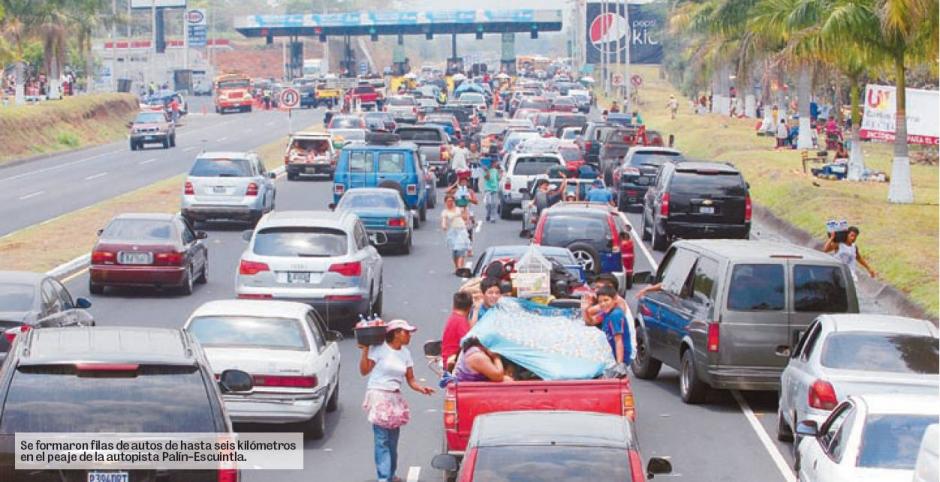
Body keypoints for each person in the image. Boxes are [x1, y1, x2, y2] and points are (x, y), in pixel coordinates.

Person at [359, 319, 435, 482]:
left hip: (394, 398)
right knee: (382, 440)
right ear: (395, 334)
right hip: (379, 395)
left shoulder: (405, 353)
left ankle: (391, 475)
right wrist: (365, 350)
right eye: (406, 332)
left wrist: (422, 388)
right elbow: (364, 371)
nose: (409, 336)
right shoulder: (378, 349)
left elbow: (411, 379)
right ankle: (384, 478)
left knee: (392, 441)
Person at [584, 285, 626, 364]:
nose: (603, 304)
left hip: (615, 357)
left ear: (614, 300)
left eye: (606, 300)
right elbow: (591, 322)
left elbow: (619, 340)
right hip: (608, 352)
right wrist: (586, 309)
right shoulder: (605, 313)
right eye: (600, 302)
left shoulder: (615, 314)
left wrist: (619, 364)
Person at [441, 292, 473, 370]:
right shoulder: (461, 322)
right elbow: (469, 342)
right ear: (470, 308)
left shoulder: (453, 318)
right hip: (454, 363)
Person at [441, 194, 472, 274]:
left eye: (451, 201)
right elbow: (444, 220)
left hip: (461, 231)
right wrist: (444, 226)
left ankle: (460, 268)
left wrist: (466, 216)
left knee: (461, 249)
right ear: (445, 202)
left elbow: (465, 216)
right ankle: (456, 267)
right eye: (448, 201)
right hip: (452, 232)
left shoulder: (458, 209)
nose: (450, 203)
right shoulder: (445, 212)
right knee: (455, 252)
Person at [481, 159, 501, 223]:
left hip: (495, 189)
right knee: (488, 203)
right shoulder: (485, 170)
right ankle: (488, 213)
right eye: (494, 163)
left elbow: (498, 178)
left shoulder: (495, 171)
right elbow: (487, 178)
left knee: (494, 204)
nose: (495, 164)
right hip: (488, 189)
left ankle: (493, 217)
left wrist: (501, 173)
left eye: (495, 163)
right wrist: (487, 171)